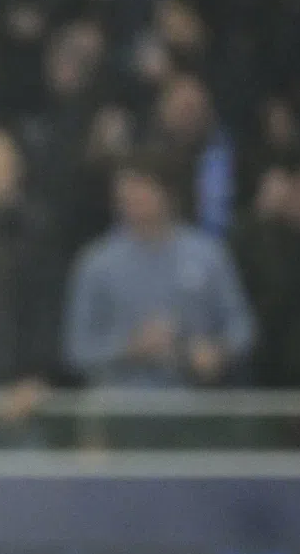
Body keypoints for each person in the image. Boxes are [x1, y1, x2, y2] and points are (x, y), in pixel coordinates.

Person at [63, 148, 254, 387]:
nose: (134, 198)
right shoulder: (96, 263)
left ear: (168, 192)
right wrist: (131, 348)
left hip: (195, 407)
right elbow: (77, 351)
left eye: (143, 187)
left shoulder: (208, 255)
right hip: (119, 409)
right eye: (126, 190)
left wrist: (218, 351)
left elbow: (242, 328)